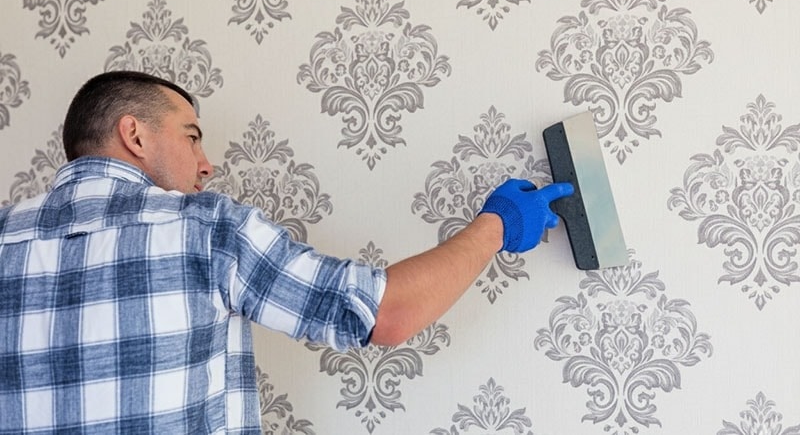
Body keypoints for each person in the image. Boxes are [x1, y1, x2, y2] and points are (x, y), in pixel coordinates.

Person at [0, 71, 573, 433]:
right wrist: (498, 226)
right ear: (135, 134)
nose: (207, 164)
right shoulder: (203, 228)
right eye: (192, 135)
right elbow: (381, 312)